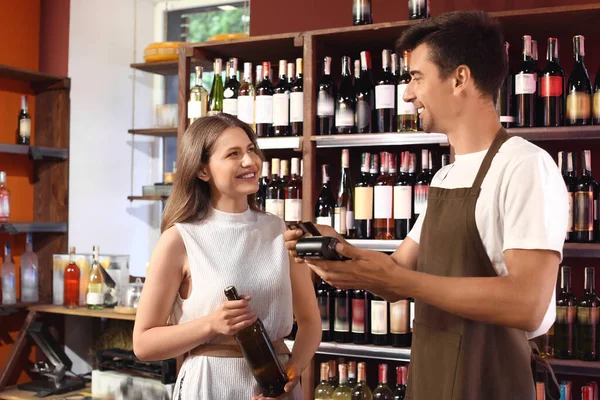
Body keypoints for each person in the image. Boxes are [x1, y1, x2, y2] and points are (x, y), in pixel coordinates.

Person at [285, 11, 567, 400]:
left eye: (416, 77)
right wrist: (334, 249)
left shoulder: (524, 166)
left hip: (488, 381)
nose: (407, 93)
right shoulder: (445, 177)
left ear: (459, 78)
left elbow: (528, 304)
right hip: (432, 375)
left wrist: (401, 282)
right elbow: (397, 271)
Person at [133, 114, 321, 400]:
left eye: (250, 150)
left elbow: (310, 322)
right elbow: (143, 343)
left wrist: (292, 373)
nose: (250, 161)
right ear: (202, 170)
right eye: (233, 154)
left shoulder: (280, 231)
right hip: (209, 387)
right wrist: (211, 324)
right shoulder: (179, 239)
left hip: (277, 390)